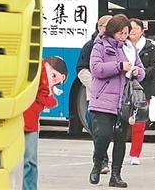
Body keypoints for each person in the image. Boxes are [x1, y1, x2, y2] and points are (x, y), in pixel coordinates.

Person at [88, 14, 145, 188]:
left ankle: (116, 175)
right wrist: (119, 66)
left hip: (124, 102)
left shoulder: (130, 48)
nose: (124, 36)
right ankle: (98, 164)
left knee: (120, 140)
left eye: (126, 33)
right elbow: (96, 69)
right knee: (103, 136)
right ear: (112, 31)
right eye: (121, 33)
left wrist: (137, 72)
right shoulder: (100, 46)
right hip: (103, 100)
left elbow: (141, 70)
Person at [23, 56, 67, 190]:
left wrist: (34, 110)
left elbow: (44, 90)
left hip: (29, 121)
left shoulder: (36, 62)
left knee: (29, 161)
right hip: (7, 119)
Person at [76, 15, 113, 174]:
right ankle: (101, 159)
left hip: (114, 96)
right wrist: (97, 86)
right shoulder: (90, 46)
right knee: (96, 127)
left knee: (109, 131)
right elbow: (81, 69)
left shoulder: (120, 45)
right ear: (100, 27)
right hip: (94, 95)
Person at [127, 17, 155, 165]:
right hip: (123, 88)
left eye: (135, 28)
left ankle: (135, 154)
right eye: (130, 28)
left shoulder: (150, 47)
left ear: (142, 30)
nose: (132, 31)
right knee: (120, 122)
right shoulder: (122, 45)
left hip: (142, 89)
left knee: (139, 123)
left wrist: (142, 72)